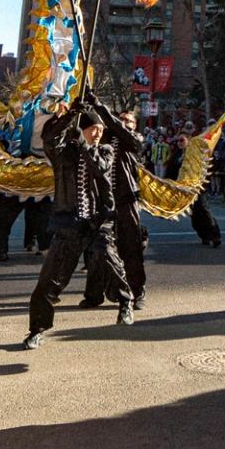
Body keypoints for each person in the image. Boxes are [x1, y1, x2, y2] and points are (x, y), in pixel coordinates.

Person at [20, 98, 135, 350]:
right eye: (94, 128)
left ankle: (126, 302)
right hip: (69, 223)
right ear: (82, 128)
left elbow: (99, 166)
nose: (98, 133)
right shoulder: (64, 153)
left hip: (98, 222)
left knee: (109, 258)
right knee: (50, 280)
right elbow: (50, 139)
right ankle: (37, 329)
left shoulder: (105, 151)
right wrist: (69, 116)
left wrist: (82, 139)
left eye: (102, 130)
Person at [82, 108, 148, 310]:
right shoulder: (105, 135)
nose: (125, 122)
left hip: (126, 199)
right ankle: (94, 294)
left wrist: (102, 108)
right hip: (102, 201)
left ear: (135, 125)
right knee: (97, 248)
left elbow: (125, 134)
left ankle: (137, 293)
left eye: (129, 120)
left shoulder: (133, 139)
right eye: (122, 119)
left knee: (131, 247)